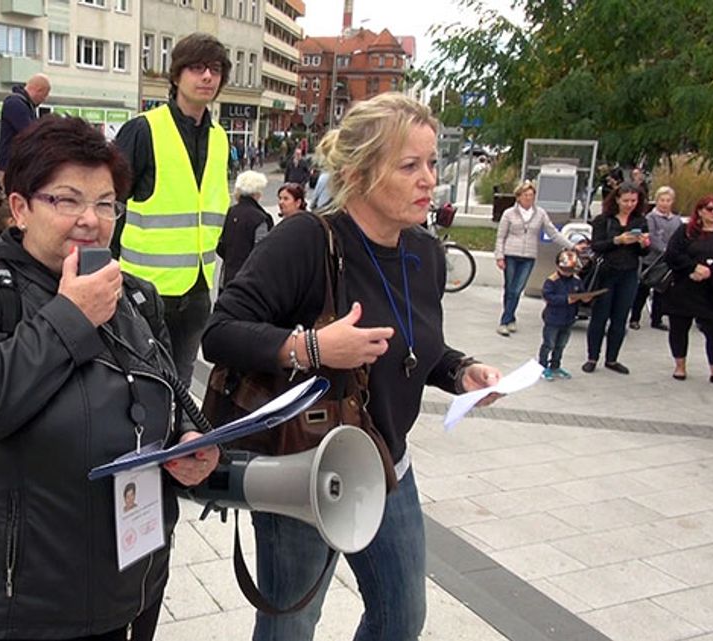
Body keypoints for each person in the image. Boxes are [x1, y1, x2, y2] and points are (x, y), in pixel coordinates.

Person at [203, 92, 502, 641]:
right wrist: (313, 348)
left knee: (401, 618)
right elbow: (219, 332)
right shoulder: (306, 239)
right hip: (303, 468)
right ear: (360, 173)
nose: (429, 179)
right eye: (409, 165)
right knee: (291, 623)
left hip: (388, 466)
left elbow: (411, 345)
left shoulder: (425, 253)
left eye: (431, 162)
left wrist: (461, 370)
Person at [0, 116, 218, 641]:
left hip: (135, 574)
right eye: (67, 200)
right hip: (28, 601)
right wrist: (70, 316)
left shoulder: (133, 295)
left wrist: (184, 443)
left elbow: (162, 399)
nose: (91, 219)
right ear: (19, 208)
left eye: (106, 204)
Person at [112, 33, 233, 386]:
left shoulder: (221, 138)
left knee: (179, 387)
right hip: (144, 291)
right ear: (177, 76)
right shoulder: (144, 130)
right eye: (197, 68)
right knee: (140, 383)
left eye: (214, 69)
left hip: (196, 291)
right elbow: (108, 205)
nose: (207, 77)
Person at [583, 182, 651, 374]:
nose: (629, 204)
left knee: (620, 318)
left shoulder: (640, 221)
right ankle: (592, 357)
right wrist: (617, 240)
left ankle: (612, 358)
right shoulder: (603, 220)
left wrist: (644, 243)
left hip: (628, 272)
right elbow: (596, 246)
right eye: (626, 200)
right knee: (599, 316)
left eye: (633, 201)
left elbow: (643, 253)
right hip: (606, 272)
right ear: (617, 200)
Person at [493, 180, 576, 336]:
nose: (529, 198)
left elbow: (553, 233)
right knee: (510, 288)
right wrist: (499, 256)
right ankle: (508, 318)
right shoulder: (509, 214)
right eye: (526, 195)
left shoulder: (540, 214)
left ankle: (506, 318)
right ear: (518, 197)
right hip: (511, 253)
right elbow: (500, 236)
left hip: (528, 256)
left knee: (517, 289)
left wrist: (571, 246)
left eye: (531, 195)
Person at [661, 195, 713, 383]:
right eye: (709, 209)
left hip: (712, 291)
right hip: (684, 288)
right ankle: (680, 365)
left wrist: (710, 272)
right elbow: (672, 255)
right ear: (700, 211)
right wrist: (693, 267)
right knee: (678, 328)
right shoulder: (685, 231)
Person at [630, 185, 681, 330]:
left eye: (668, 200)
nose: (665, 203)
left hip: (668, 261)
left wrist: (673, 252)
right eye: (662, 200)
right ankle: (634, 318)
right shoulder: (650, 218)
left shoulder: (676, 220)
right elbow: (651, 237)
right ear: (657, 201)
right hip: (651, 260)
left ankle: (657, 319)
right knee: (643, 290)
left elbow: (678, 237)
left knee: (661, 289)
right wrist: (664, 250)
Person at [216, 169, 271, 289]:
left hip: (228, 276)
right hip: (250, 280)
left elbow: (220, 245)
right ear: (256, 194)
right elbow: (261, 252)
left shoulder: (231, 212)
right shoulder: (260, 218)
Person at [538, 249, 586, 381]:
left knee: (561, 345)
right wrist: (565, 299)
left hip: (569, 318)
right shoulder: (552, 281)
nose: (568, 273)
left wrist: (584, 298)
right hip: (553, 318)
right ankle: (541, 366)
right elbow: (548, 296)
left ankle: (555, 365)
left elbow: (581, 292)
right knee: (549, 344)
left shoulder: (576, 280)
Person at [0, 72, 50, 181]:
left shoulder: (26, 105)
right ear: (38, 90)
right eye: (44, 95)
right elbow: (30, 133)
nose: (45, 100)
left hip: (18, 166)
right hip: (11, 167)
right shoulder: (15, 103)